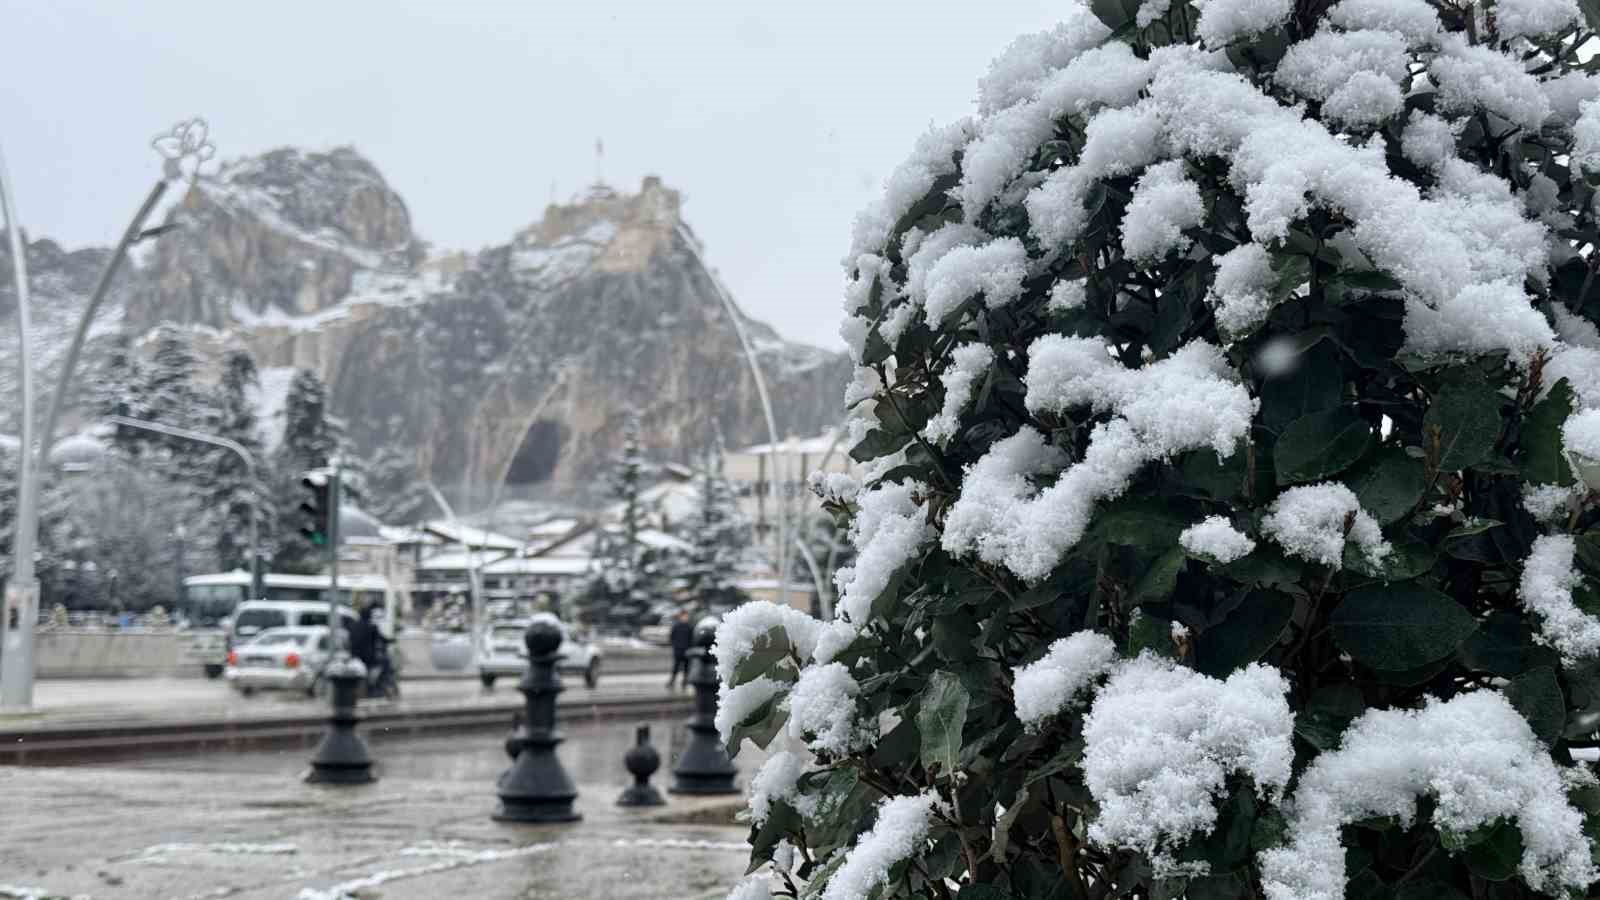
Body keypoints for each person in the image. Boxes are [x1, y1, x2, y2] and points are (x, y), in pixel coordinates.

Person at [666, 609, 694, 690]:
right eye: (683, 616)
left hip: (687, 650)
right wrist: (675, 646)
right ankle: (672, 681)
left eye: (686, 616)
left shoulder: (689, 627)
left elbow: (692, 639)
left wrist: (690, 648)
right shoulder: (676, 626)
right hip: (678, 650)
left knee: (686, 668)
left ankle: (684, 682)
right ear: (680, 617)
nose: (685, 618)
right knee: (676, 667)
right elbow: (672, 637)